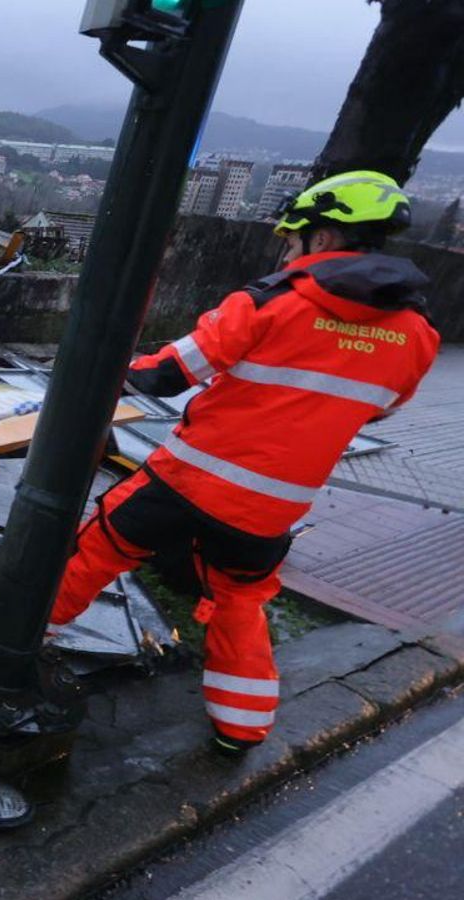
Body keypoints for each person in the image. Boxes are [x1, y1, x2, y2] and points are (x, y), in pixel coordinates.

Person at [47, 171, 440, 757]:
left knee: (96, 549)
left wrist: (90, 375)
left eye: (292, 240)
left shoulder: (271, 302)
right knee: (240, 603)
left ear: (324, 239)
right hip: (272, 508)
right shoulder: (418, 336)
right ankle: (241, 726)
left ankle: (9, 642)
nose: (286, 251)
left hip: (189, 478)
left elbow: (167, 372)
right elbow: (377, 411)